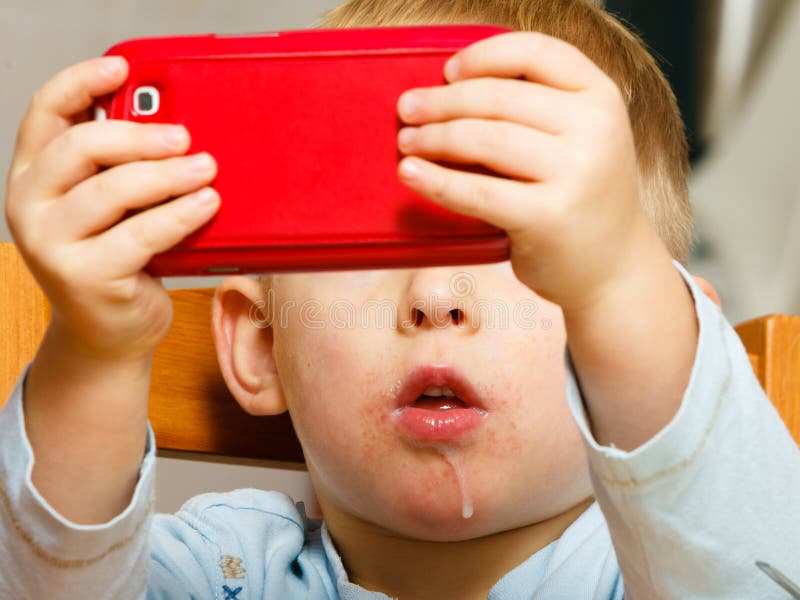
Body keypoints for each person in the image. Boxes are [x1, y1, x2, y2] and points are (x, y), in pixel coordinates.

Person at [1, 0, 798, 598]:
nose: (437, 297)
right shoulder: (222, 574)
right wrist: (96, 351)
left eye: (505, 242)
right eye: (372, 241)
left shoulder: (670, 569)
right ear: (260, 345)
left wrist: (625, 291)